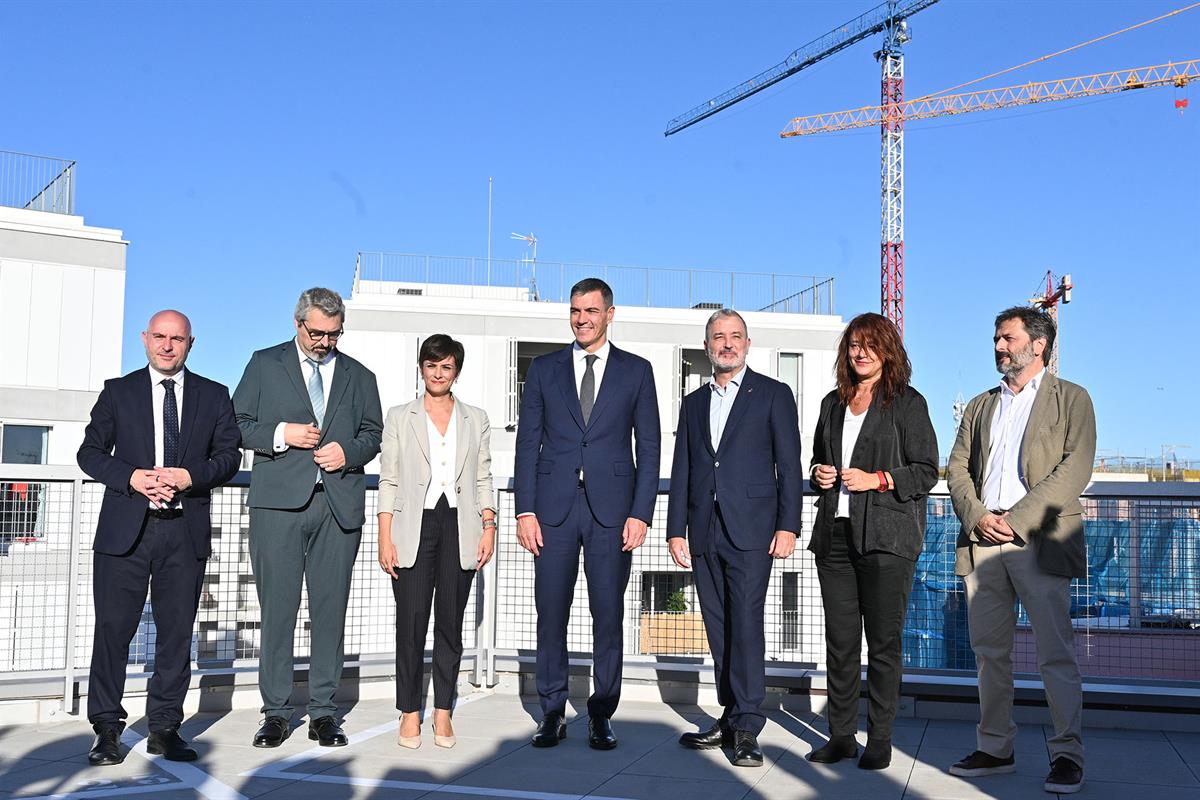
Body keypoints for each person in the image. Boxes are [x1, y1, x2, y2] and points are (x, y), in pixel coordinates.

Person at [77, 310, 241, 765]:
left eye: (178, 339)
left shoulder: (213, 395)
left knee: (175, 635)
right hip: (125, 533)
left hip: (183, 533)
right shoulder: (119, 392)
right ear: (145, 340)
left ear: (191, 343)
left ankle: (164, 729)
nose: (168, 346)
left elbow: (229, 456)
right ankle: (106, 729)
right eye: (160, 338)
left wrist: (191, 476)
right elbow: (88, 453)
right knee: (113, 631)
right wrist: (132, 477)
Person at [946, 306, 1095, 795]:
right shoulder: (981, 405)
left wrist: (1015, 520)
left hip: (1040, 540)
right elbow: (958, 468)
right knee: (990, 654)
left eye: (1007, 338)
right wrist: (978, 517)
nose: (998, 346)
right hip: (984, 540)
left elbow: (1075, 470)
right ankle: (995, 747)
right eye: (996, 339)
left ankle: (1067, 754)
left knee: (1055, 653)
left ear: (1039, 345)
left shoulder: (1072, 399)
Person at [232, 287, 383, 749]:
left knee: (330, 613)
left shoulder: (360, 375)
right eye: (316, 332)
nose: (323, 342)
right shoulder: (264, 363)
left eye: (333, 334)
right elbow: (235, 423)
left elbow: (373, 434)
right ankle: (276, 713)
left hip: (338, 506)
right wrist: (282, 434)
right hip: (276, 505)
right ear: (297, 323)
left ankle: (323, 713)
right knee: (277, 612)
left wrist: (349, 452)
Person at [514, 277, 660, 750]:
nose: (581, 319)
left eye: (591, 311)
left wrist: (641, 513)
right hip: (552, 510)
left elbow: (651, 446)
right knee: (550, 612)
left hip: (613, 513)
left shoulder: (637, 371)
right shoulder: (543, 369)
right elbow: (526, 442)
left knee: (608, 614)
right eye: (575, 310)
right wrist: (524, 510)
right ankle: (552, 711)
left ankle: (601, 713)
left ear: (609, 314)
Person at [668, 309, 802, 768]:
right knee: (718, 625)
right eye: (718, 337)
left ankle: (747, 724)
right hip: (704, 529)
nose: (727, 344)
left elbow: (790, 465)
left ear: (748, 343)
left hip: (753, 529)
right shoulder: (692, 403)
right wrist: (673, 529)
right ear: (706, 346)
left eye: (735, 336)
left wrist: (789, 524)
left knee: (745, 625)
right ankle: (730, 714)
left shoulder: (773, 394)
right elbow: (683, 468)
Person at [806, 312, 938, 770]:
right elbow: (817, 463)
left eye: (869, 345)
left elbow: (926, 470)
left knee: (883, 644)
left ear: (887, 351)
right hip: (834, 536)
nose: (860, 353)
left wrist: (878, 478)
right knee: (840, 643)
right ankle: (841, 736)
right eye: (853, 345)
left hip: (886, 537)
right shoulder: (832, 403)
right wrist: (819, 473)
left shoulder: (907, 402)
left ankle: (879, 739)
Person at [377, 334, 497, 749]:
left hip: (459, 526)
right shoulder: (399, 416)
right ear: (421, 368)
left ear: (456, 371)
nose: (438, 373)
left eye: (446, 366)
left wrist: (489, 525)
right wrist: (384, 534)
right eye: (431, 365)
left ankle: (442, 712)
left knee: (450, 622)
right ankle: (410, 711)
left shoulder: (475, 418)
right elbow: (388, 478)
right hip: (414, 525)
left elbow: (483, 476)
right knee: (410, 623)